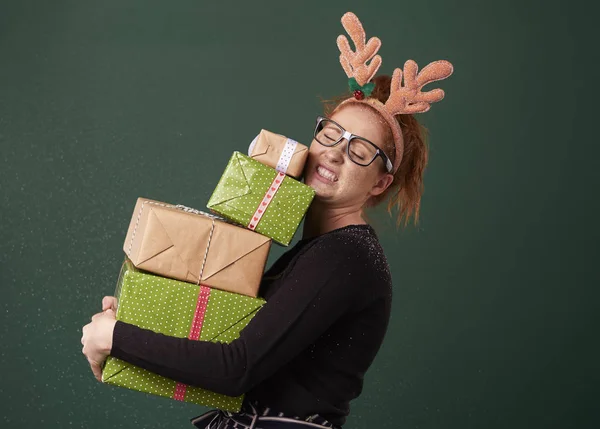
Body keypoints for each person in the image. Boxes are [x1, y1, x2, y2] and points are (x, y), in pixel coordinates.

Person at [81, 12, 453, 429]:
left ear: (380, 183)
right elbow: (231, 349)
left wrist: (116, 338)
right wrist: (134, 324)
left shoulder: (347, 255)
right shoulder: (320, 248)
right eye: (331, 134)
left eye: (360, 150)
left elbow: (234, 368)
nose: (334, 152)